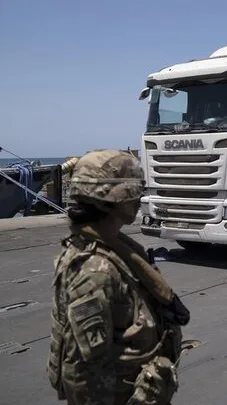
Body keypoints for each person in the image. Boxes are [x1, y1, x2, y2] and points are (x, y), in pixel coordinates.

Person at [46, 149, 192, 405]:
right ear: (108, 200)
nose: (138, 198)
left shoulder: (116, 248)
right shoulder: (95, 270)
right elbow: (82, 372)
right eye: (131, 192)